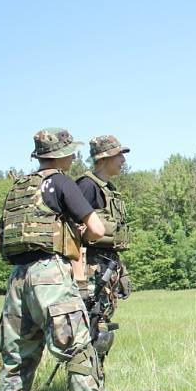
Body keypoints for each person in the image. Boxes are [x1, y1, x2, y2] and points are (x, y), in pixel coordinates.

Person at [0, 128, 114, 391]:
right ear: (61, 155)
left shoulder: (19, 188)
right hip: (49, 274)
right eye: (70, 151)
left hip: (17, 279)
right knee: (76, 345)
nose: (73, 156)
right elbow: (97, 229)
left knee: (17, 355)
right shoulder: (60, 183)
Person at [75, 136, 132, 374]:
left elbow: (113, 240)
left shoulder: (108, 189)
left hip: (108, 267)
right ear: (104, 158)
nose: (123, 160)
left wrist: (122, 272)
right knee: (92, 327)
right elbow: (73, 233)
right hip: (92, 270)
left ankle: (96, 379)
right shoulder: (86, 187)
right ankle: (87, 382)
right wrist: (80, 280)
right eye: (119, 155)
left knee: (102, 326)